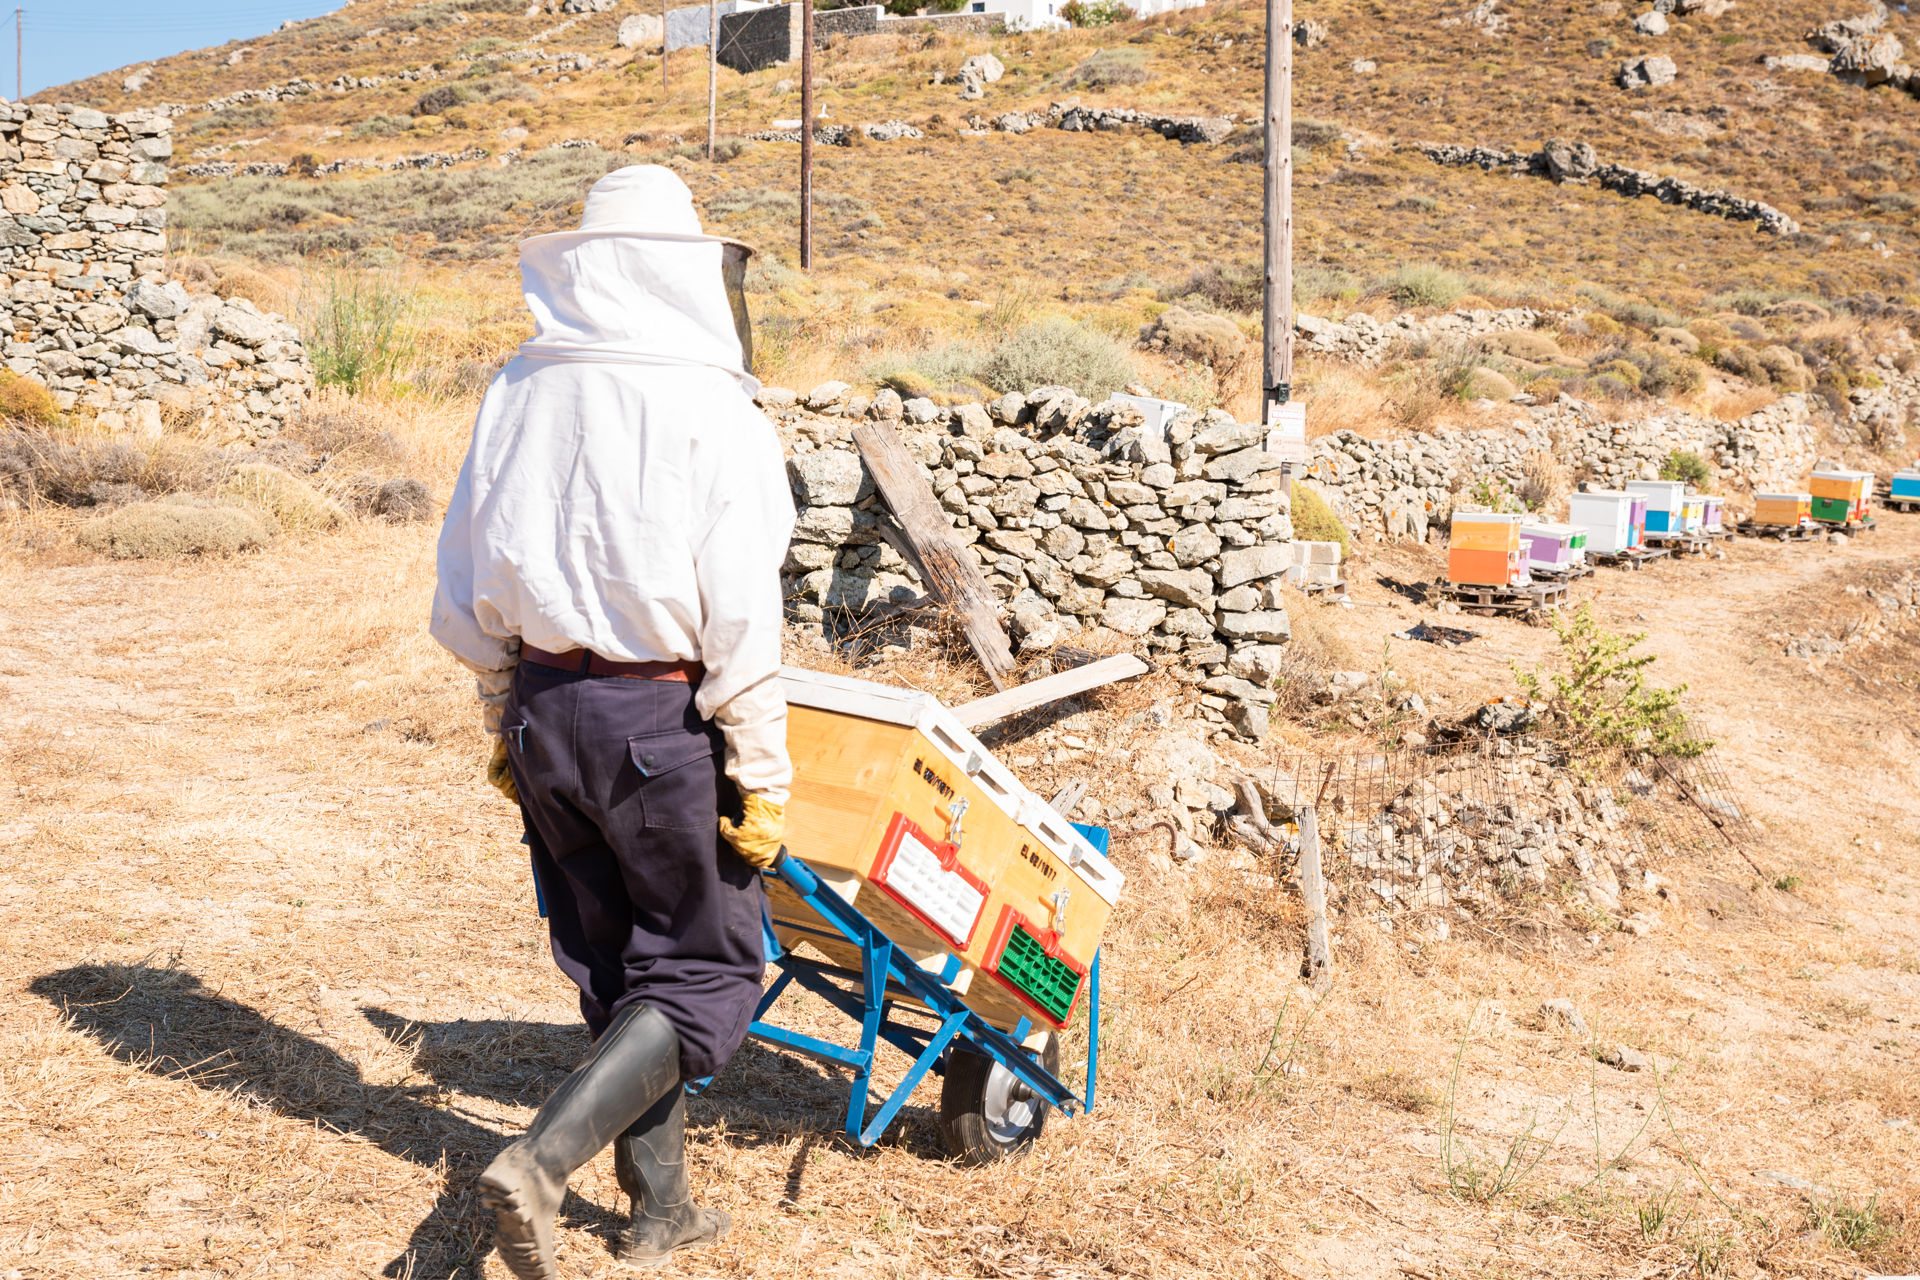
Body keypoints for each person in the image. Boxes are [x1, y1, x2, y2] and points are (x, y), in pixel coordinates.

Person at [429, 165, 795, 1278]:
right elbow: (740, 605)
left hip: (546, 708)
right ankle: (539, 1163)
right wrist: (762, 767)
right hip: (658, 717)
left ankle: (661, 1209)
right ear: (688, 271)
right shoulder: (709, 405)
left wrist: (507, 711)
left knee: (613, 969)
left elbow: (463, 578)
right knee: (701, 972)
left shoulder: (517, 390)